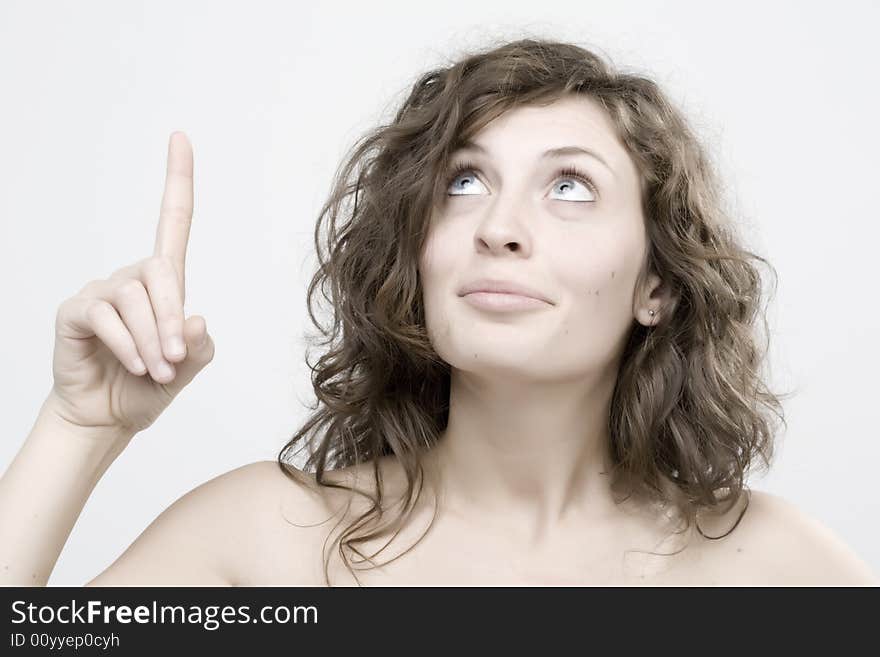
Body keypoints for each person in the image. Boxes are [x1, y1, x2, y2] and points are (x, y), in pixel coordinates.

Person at [1, 38, 876, 587]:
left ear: (659, 285)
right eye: (465, 181)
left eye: (569, 186)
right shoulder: (269, 541)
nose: (499, 226)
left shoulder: (771, 570)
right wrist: (79, 424)